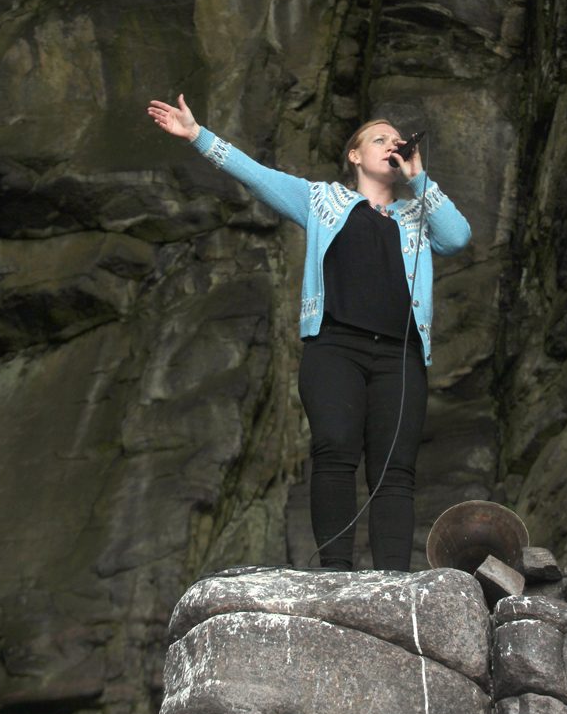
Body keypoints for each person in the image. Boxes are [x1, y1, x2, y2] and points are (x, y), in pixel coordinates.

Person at [147, 93, 471, 571]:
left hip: (400, 358)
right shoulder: (323, 200)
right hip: (336, 348)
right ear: (354, 156)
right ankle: (335, 575)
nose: (392, 144)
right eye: (379, 139)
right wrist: (196, 135)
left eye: (397, 140)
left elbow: (458, 237)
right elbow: (256, 175)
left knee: (394, 471)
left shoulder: (416, 214)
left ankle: (393, 585)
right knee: (335, 448)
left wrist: (418, 176)